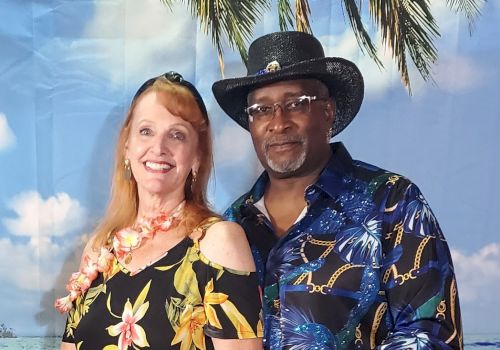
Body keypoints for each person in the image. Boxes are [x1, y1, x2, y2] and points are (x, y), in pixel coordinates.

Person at [212, 31, 462, 349]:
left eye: (295, 103)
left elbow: (432, 335)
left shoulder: (394, 202)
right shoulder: (230, 225)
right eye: (262, 110)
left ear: (327, 111)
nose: (278, 122)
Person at [55, 71, 263, 350]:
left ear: (197, 156)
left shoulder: (217, 243)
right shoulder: (100, 249)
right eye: (146, 131)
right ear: (127, 147)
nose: (159, 147)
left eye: (177, 135)